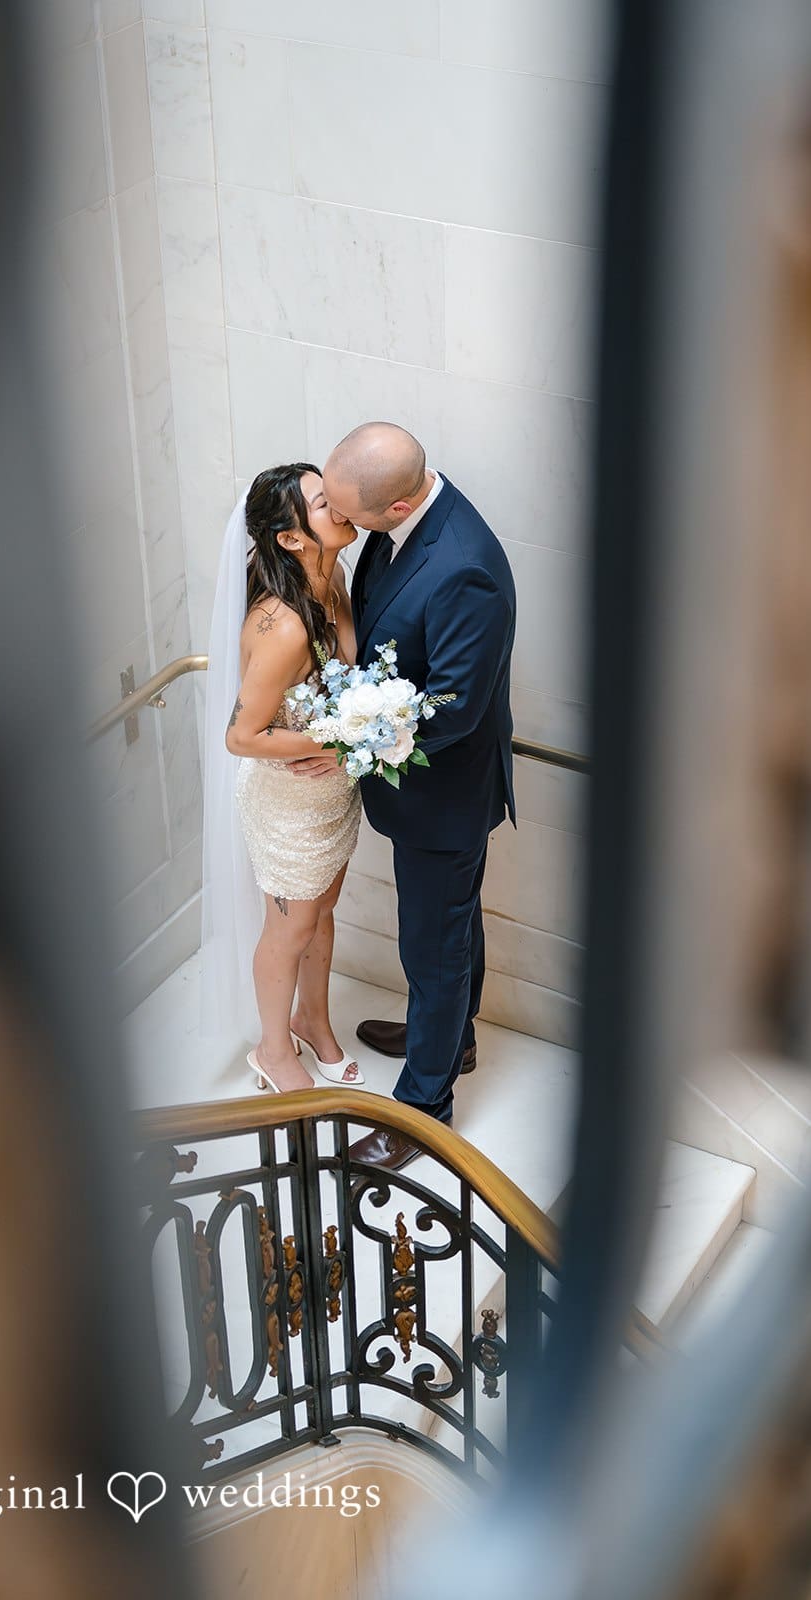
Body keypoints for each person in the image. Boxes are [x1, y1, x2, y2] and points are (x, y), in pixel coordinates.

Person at [290, 423, 516, 1168]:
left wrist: (347, 746)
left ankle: (425, 1105)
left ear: (396, 506)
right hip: (419, 793)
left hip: (442, 797)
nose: (342, 529)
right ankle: (456, 1039)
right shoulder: (404, 518)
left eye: (352, 518)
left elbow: (452, 705)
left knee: (434, 948)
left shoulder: (464, 568)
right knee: (445, 932)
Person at [205, 463, 366, 1093]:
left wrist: (356, 737)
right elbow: (241, 736)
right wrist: (338, 738)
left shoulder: (333, 575)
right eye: (326, 503)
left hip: (332, 790)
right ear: (292, 538)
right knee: (291, 926)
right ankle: (273, 1050)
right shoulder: (283, 626)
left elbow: (346, 678)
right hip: (287, 802)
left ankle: (313, 1018)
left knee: (323, 911)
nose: (345, 505)